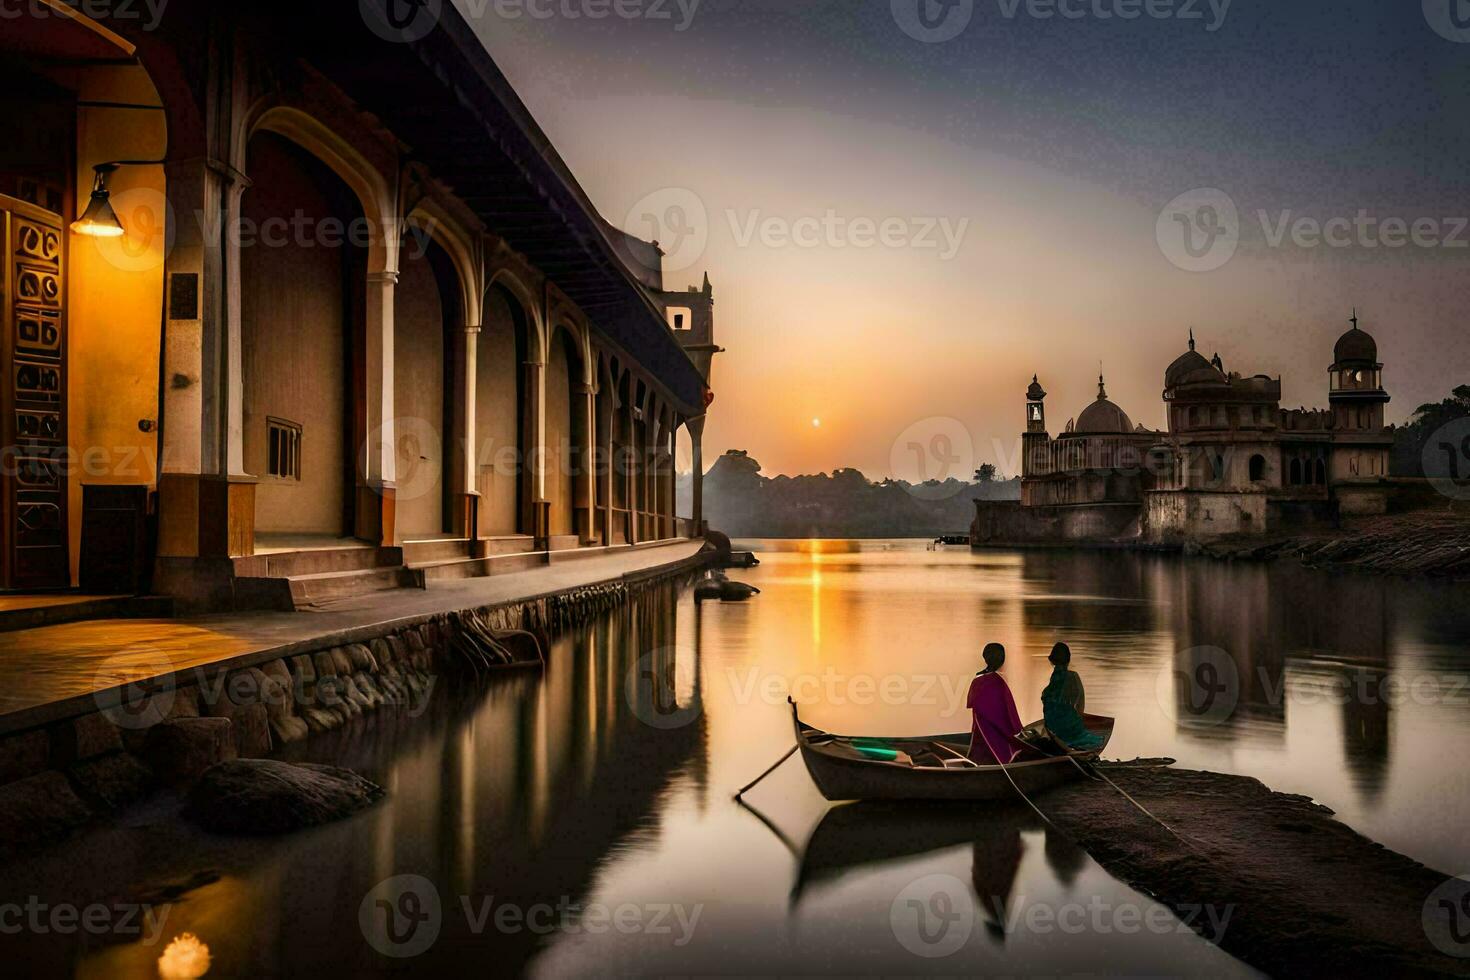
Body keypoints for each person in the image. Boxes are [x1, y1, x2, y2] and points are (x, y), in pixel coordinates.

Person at [966, 643, 1026, 764]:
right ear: (1002, 660)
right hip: (996, 729)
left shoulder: (978, 679)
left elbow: (974, 704)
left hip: (981, 727)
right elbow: (1009, 711)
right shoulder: (998, 681)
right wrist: (1018, 730)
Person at [1041, 642, 1104, 750]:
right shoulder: (1073, 676)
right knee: (1075, 726)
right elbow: (1080, 702)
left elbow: (1047, 700)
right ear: (1068, 660)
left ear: (1053, 660)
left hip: (1052, 723)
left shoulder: (1055, 678)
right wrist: (1078, 720)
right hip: (1067, 724)